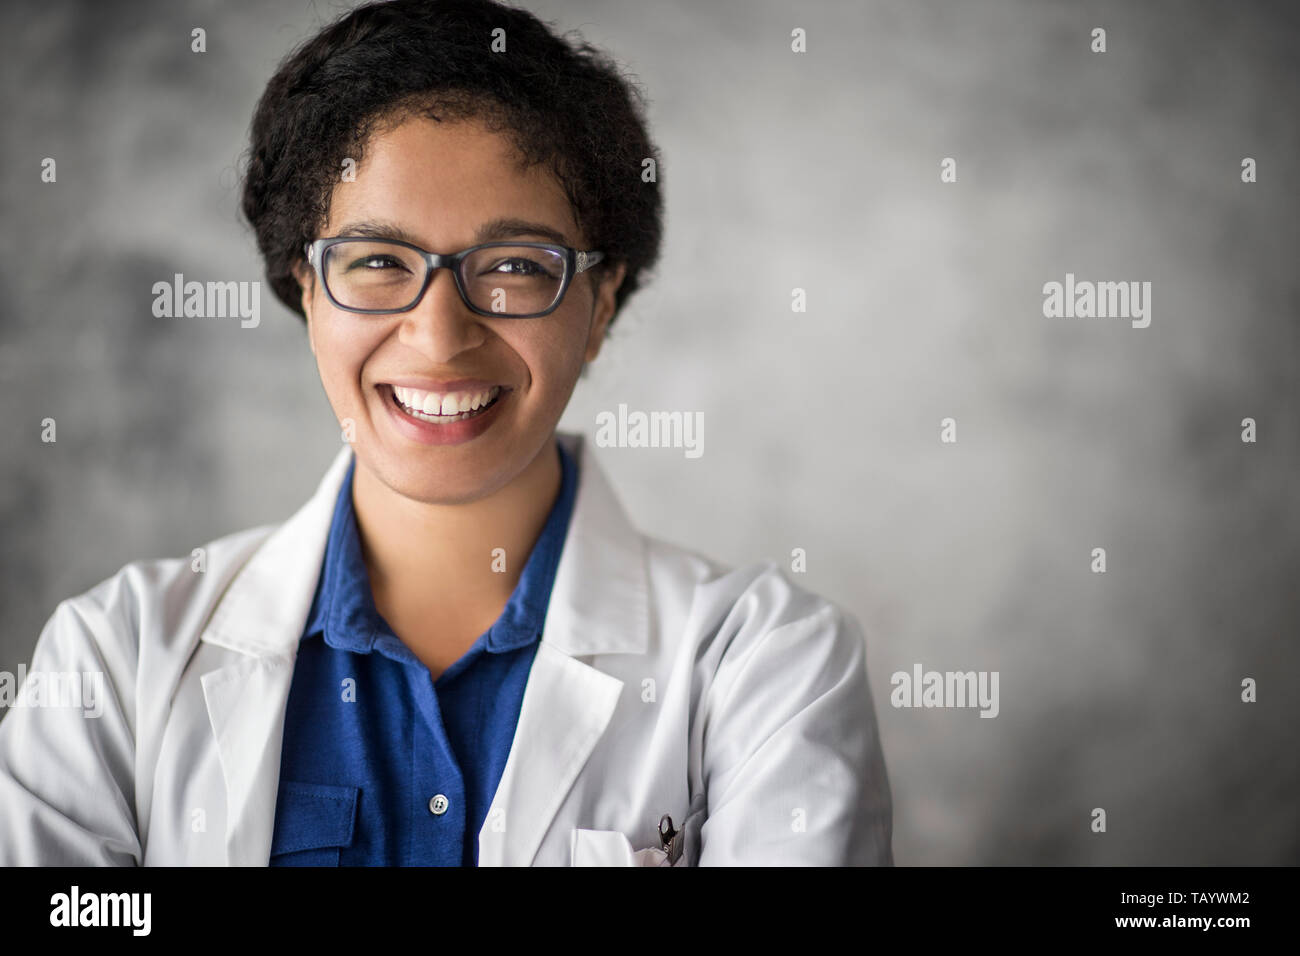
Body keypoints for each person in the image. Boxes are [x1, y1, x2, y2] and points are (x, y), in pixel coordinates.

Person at [0, 0, 892, 866]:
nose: (440, 335)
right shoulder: (113, 660)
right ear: (304, 288)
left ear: (601, 303)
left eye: (512, 265)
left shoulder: (767, 667)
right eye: (379, 262)